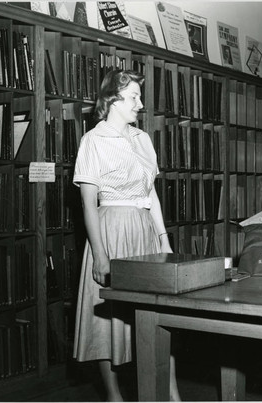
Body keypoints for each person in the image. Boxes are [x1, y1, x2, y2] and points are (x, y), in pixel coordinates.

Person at [72, 70, 181, 401]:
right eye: (134, 97)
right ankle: (114, 396)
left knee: (159, 315)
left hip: (144, 232)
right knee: (106, 321)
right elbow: (89, 205)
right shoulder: (93, 141)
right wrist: (100, 253)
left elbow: (152, 194)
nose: (141, 103)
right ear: (112, 100)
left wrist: (163, 238)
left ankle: (171, 395)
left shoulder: (142, 138)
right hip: (111, 231)